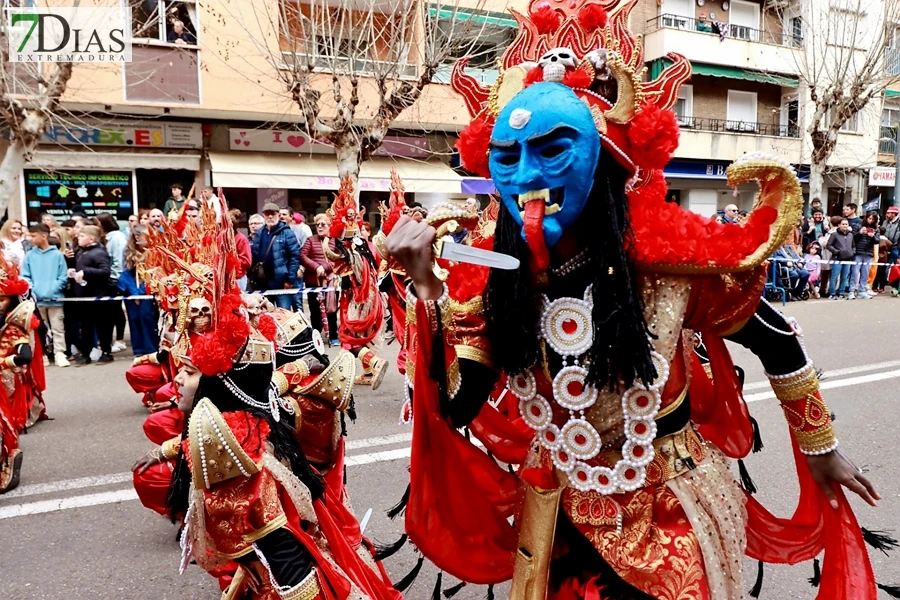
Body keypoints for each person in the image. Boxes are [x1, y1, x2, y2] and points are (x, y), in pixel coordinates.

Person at [386, 9, 882, 598]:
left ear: (604, 164)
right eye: (508, 157)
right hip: (557, 515)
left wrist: (819, 449)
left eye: (551, 150)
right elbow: (462, 403)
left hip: (672, 506)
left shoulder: (666, 265)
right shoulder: (495, 278)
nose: (526, 176)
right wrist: (425, 286)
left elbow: (775, 339)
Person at [322, 178, 388, 389]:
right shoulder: (363, 246)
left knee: (348, 339)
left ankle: (375, 364)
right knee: (360, 338)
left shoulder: (349, 251)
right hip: (370, 296)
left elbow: (347, 279)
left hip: (359, 299)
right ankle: (368, 373)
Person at [0, 262, 45, 494]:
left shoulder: (13, 328)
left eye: (1, 299)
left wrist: (4, 364)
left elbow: (24, 356)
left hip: (5, 377)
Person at [21, 224, 70, 367]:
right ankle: (43, 354)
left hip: (55, 298)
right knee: (40, 329)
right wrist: (34, 290)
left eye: (33, 235)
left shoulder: (57, 255)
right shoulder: (29, 255)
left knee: (58, 327)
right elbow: (25, 276)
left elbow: (63, 277)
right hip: (36, 300)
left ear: (44, 236)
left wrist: (53, 289)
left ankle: (60, 352)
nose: (30, 238)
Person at [71, 226, 113, 365]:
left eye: (82, 236)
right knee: (85, 327)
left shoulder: (99, 253)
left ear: (91, 239)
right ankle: (85, 353)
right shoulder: (80, 252)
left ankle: (106, 352)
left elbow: (105, 271)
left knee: (102, 326)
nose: (78, 237)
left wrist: (86, 271)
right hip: (83, 296)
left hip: (98, 296)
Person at [249, 202, 301, 310]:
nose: (270, 216)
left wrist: (290, 280)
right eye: (267, 214)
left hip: (281, 283)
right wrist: (251, 276)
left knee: (283, 314)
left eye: (273, 214)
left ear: (278, 215)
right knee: (266, 316)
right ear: (263, 216)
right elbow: (254, 256)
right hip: (263, 283)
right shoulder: (259, 233)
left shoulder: (287, 233)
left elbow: (294, 257)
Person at [118, 226, 159, 357]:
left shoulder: (154, 251)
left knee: (147, 318)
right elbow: (126, 273)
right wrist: (134, 293)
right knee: (134, 319)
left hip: (148, 291)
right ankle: (139, 351)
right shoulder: (128, 252)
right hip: (131, 290)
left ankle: (151, 349)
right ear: (137, 237)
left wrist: (143, 292)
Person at [301, 214, 338, 344]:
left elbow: (338, 258)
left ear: (330, 226)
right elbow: (303, 256)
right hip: (313, 280)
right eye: (318, 225)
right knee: (314, 311)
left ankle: (333, 336)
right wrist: (316, 267)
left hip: (331, 281)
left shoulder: (335, 240)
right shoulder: (310, 240)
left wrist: (325, 267)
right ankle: (316, 336)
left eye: (323, 224)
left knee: (332, 309)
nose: (320, 227)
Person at [97, 213, 128, 352]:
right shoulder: (106, 238)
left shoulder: (116, 238)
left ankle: (120, 339)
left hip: (115, 278)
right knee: (111, 311)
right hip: (108, 278)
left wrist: (115, 277)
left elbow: (118, 259)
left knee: (116, 310)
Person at [849, 211, 879, 300]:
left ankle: (862, 290)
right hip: (858, 252)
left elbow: (877, 241)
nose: (871, 221)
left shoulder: (876, 229)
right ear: (866, 217)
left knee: (865, 273)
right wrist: (860, 233)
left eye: (873, 219)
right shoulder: (858, 225)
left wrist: (872, 236)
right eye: (869, 218)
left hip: (868, 253)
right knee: (855, 272)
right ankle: (852, 290)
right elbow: (852, 237)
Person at [774, 229, 810, 300]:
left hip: (796, 266)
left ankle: (798, 292)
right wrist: (786, 262)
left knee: (805, 274)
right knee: (794, 275)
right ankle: (791, 292)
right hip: (785, 267)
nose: (783, 240)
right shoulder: (775, 249)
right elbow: (776, 258)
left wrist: (800, 262)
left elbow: (796, 257)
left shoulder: (789, 248)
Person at [826, 218, 855, 299]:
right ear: (839, 225)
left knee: (844, 277)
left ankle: (841, 292)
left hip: (848, 259)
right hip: (837, 259)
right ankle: (832, 293)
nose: (845, 225)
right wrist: (836, 251)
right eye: (843, 224)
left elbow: (853, 246)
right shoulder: (834, 234)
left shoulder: (850, 235)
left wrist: (852, 252)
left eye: (846, 224)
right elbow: (829, 245)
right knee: (834, 276)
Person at [874, 227, 894, 293]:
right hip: (884, 258)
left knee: (876, 273)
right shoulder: (886, 240)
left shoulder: (877, 239)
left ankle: (875, 287)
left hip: (876, 257)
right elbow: (891, 245)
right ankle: (882, 287)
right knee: (882, 273)